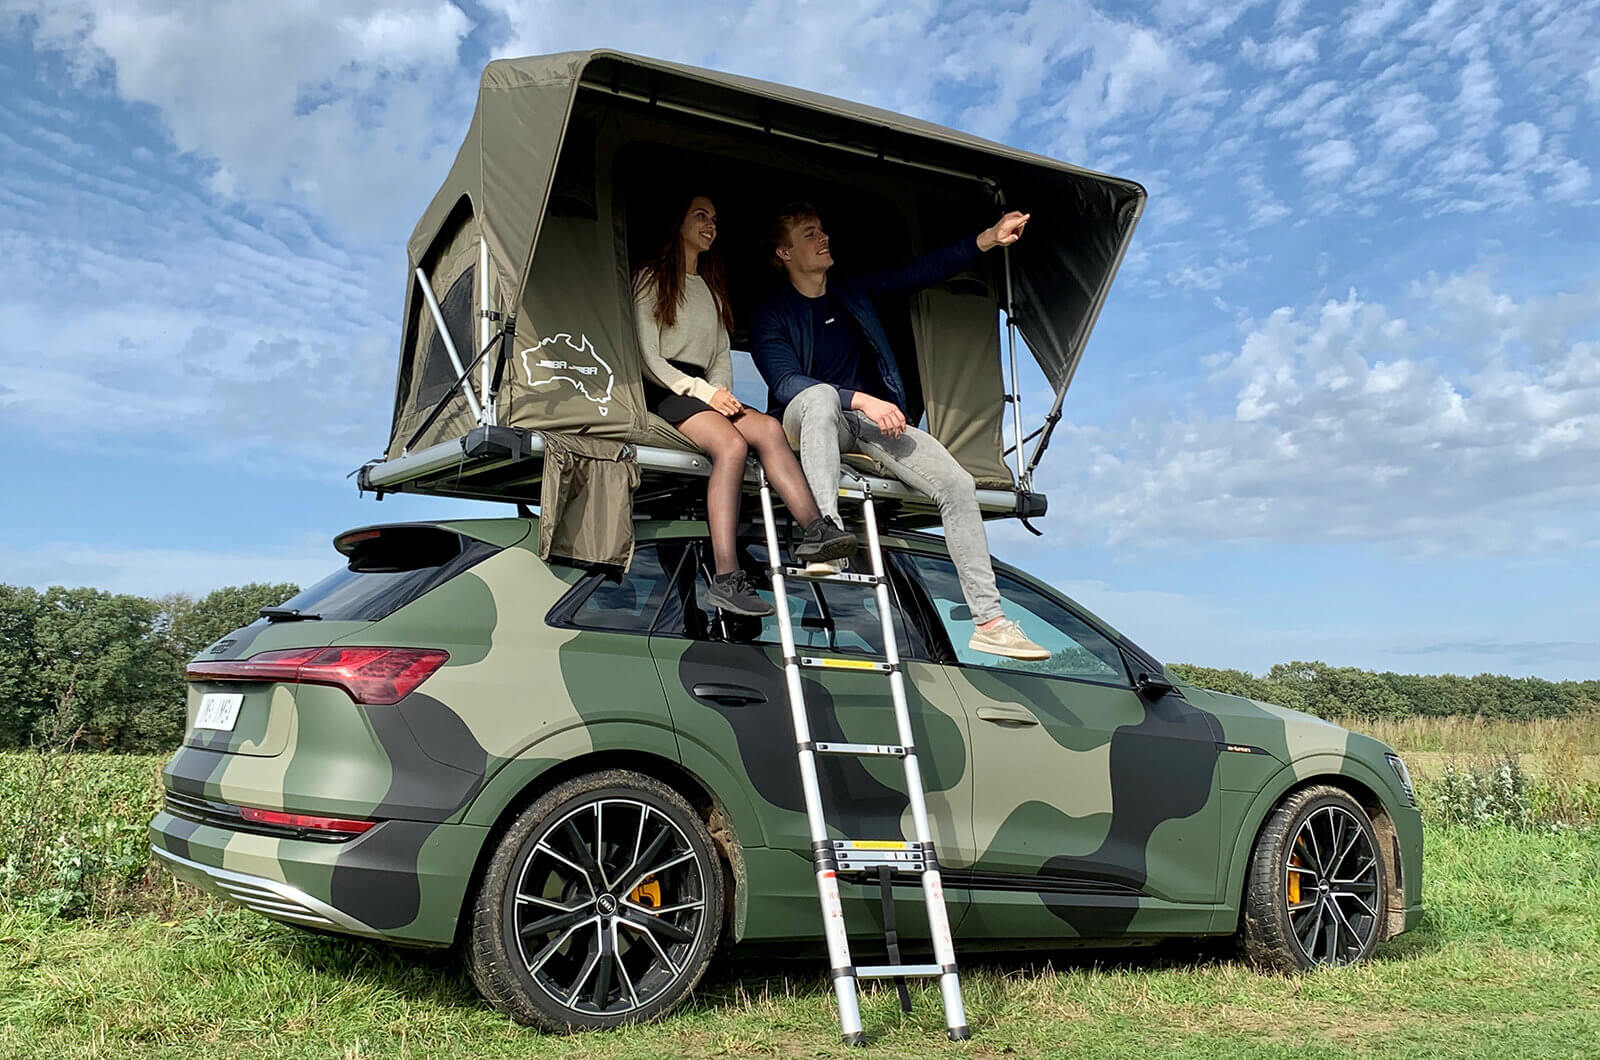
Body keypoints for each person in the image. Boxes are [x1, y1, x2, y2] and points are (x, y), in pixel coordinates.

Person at [749, 202, 1048, 660]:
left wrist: (987, 238)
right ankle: (825, 537)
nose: (823, 238)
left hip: (865, 423)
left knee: (957, 484)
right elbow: (787, 383)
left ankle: (990, 622)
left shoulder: (851, 291)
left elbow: (919, 271)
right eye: (809, 234)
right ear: (784, 253)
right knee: (821, 396)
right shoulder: (771, 313)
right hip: (806, 420)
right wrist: (862, 398)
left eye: (822, 229)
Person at [634, 193, 856, 616]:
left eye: (715, 219)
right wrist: (705, 395)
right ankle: (726, 577)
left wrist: (721, 392)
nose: (711, 225)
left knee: (768, 429)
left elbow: (721, 355)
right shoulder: (649, 279)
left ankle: (817, 530)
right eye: (701, 216)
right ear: (678, 223)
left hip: (706, 391)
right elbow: (649, 358)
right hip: (667, 389)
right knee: (732, 446)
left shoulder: (711, 289)